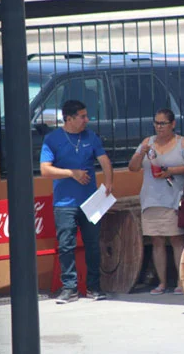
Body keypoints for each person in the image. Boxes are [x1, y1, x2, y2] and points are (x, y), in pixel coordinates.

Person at [40, 100, 114, 304]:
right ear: (69, 118)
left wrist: (108, 182)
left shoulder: (90, 137)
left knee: (93, 245)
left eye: (86, 115)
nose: (86, 120)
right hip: (65, 203)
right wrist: (71, 173)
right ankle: (69, 288)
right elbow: (45, 170)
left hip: (90, 201)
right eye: (82, 116)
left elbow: (105, 161)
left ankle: (94, 287)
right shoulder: (52, 139)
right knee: (66, 245)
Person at [128, 108, 184, 295]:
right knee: (156, 240)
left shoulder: (182, 142)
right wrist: (140, 154)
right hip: (151, 199)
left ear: (172, 124)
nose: (159, 127)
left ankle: (181, 281)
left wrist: (171, 171)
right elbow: (133, 168)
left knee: (177, 239)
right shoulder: (147, 142)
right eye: (156, 123)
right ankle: (161, 283)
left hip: (174, 199)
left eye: (163, 123)